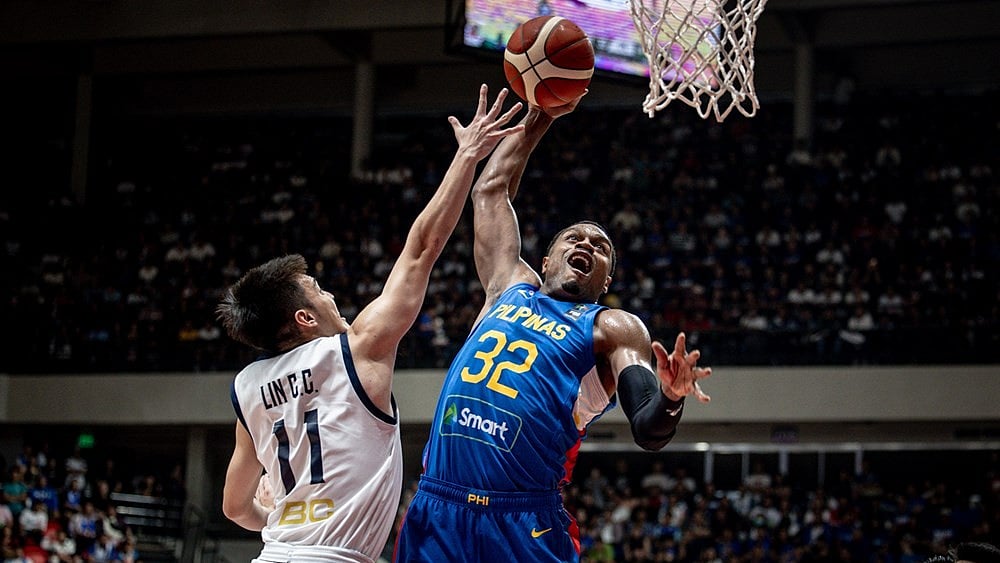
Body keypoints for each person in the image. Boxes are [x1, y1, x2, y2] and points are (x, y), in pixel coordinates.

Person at [393, 99, 711, 562]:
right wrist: (543, 111)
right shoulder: (508, 286)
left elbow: (648, 428)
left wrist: (671, 397)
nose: (586, 244)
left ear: (606, 280)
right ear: (545, 261)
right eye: (573, 238)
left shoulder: (613, 327)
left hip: (523, 521)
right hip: (438, 506)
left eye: (600, 247)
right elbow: (490, 190)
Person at [216, 84, 523, 563]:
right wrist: (466, 156)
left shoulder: (247, 387)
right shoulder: (355, 350)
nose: (331, 296)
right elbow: (421, 248)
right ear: (304, 318)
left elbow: (235, 507)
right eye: (318, 290)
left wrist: (276, 520)